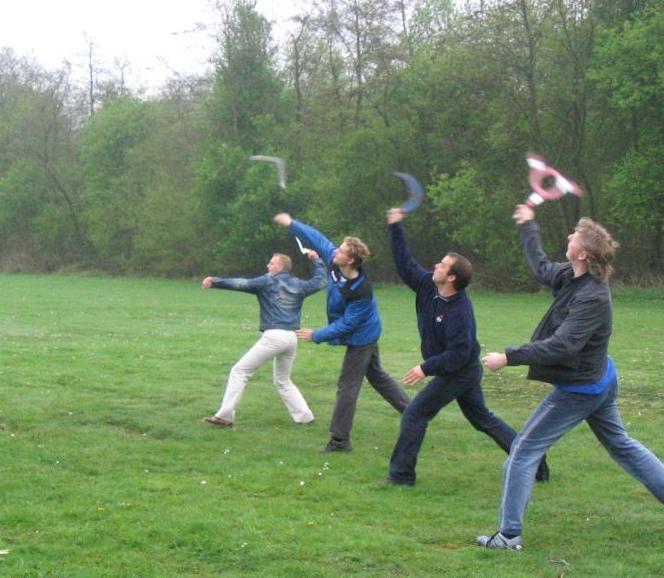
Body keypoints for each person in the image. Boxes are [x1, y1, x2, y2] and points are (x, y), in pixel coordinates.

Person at [476, 204, 664, 550]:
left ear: (582, 252)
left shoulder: (593, 297)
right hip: (599, 379)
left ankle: (509, 536)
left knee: (523, 450)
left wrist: (509, 357)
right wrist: (528, 226)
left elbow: (563, 345)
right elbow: (540, 267)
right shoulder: (572, 275)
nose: (568, 236)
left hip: (581, 388)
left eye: (574, 236)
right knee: (621, 445)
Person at [382, 208, 549, 486]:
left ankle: (401, 476)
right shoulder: (427, 286)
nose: (435, 266)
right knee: (482, 419)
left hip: (459, 371)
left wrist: (426, 367)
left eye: (442, 265)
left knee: (415, 414)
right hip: (459, 369)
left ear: (452, 278)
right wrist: (395, 227)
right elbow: (403, 263)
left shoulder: (460, 311)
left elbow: (458, 353)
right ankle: (536, 463)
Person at [274, 212, 410, 453]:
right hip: (364, 331)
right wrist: (292, 224)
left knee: (347, 386)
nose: (335, 251)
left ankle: (339, 441)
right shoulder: (333, 260)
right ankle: (414, 414)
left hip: (363, 337)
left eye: (342, 251)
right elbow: (316, 238)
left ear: (350, 261)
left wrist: (317, 334)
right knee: (377, 376)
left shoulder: (361, 290)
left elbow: (348, 324)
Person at [201, 250, 326, 427]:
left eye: (272, 263)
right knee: (283, 381)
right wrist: (316, 260)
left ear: (280, 267)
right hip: (291, 338)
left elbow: (241, 283)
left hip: (274, 336)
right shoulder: (299, 285)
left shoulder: (267, 281)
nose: (268, 265)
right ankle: (305, 417)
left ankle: (225, 416)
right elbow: (320, 281)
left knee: (240, 371)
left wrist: (215, 282)